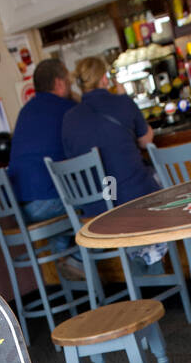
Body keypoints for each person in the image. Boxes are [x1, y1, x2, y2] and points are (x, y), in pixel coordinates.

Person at [61, 57, 168, 273]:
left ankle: (140, 268)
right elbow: (146, 140)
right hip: (130, 200)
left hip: (95, 211)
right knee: (163, 183)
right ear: (104, 79)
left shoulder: (69, 119)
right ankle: (154, 266)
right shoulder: (122, 102)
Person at [7, 57, 76, 257]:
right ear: (59, 83)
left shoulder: (24, 112)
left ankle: (69, 266)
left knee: (65, 201)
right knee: (101, 197)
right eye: (68, 80)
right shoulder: (67, 109)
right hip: (48, 201)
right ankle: (78, 259)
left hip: (22, 207)